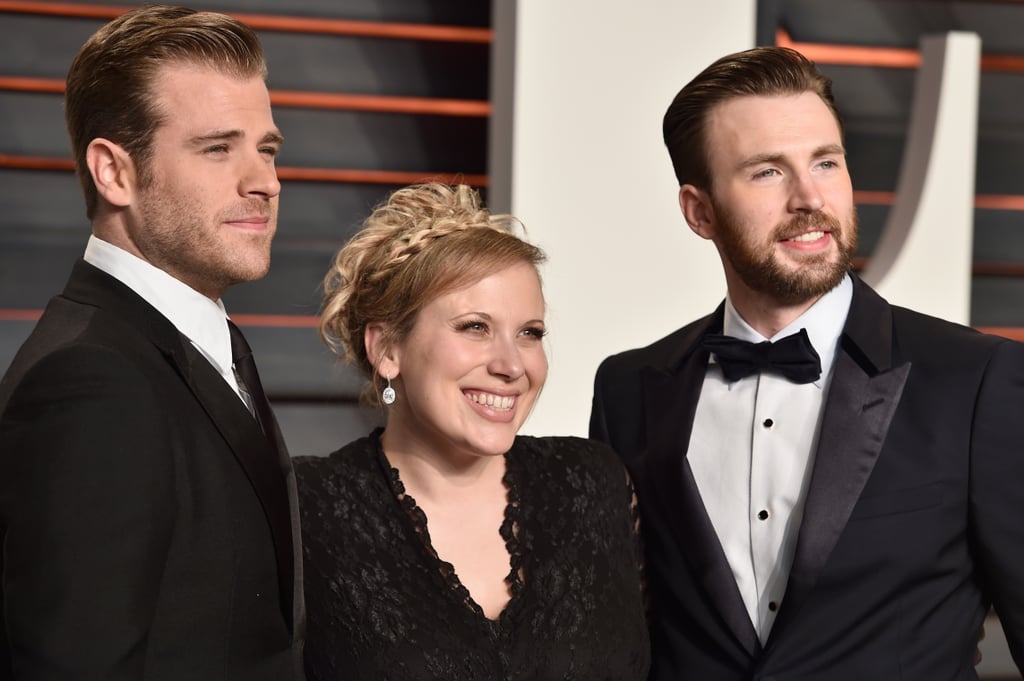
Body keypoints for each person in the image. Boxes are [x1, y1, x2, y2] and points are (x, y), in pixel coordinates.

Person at [590, 46, 1024, 679]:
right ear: (699, 211)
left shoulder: (977, 381)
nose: (809, 198)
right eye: (767, 172)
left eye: (826, 162)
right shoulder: (630, 388)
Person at [0, 6, 304, 679]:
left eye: (268, 148)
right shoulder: (87, 383)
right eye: (218, 147)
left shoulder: (201, 339)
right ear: (114, 172)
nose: (265, 182)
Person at [295, 182, 649, 680]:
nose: (511, 365)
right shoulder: (304, 508)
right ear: (387, 349)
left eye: (530, 333)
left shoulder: (594, 483)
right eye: (474, 327)